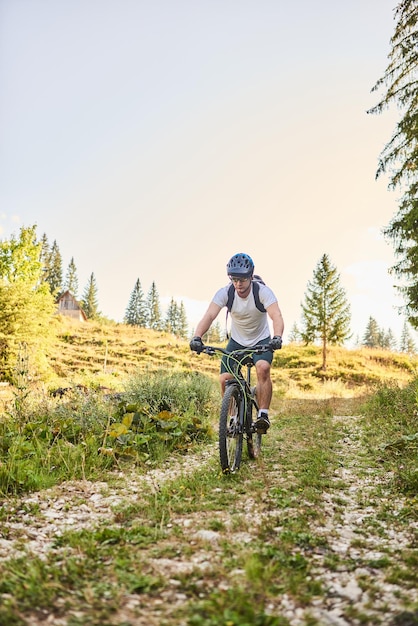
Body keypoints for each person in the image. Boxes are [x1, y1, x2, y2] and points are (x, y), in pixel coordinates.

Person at [189, 253, 284, 433]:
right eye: (234, 279)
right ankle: (233, 417)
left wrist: (277, 336)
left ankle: (263, 414)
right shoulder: (226, 293)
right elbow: (209, 315)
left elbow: (276, 315)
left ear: (250, 277)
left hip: (261, 340)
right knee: (225, 379)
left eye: (242, 279)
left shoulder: (262, 292)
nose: (238, 284)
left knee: (263, 368)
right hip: (237, 342)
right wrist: (197, 337)